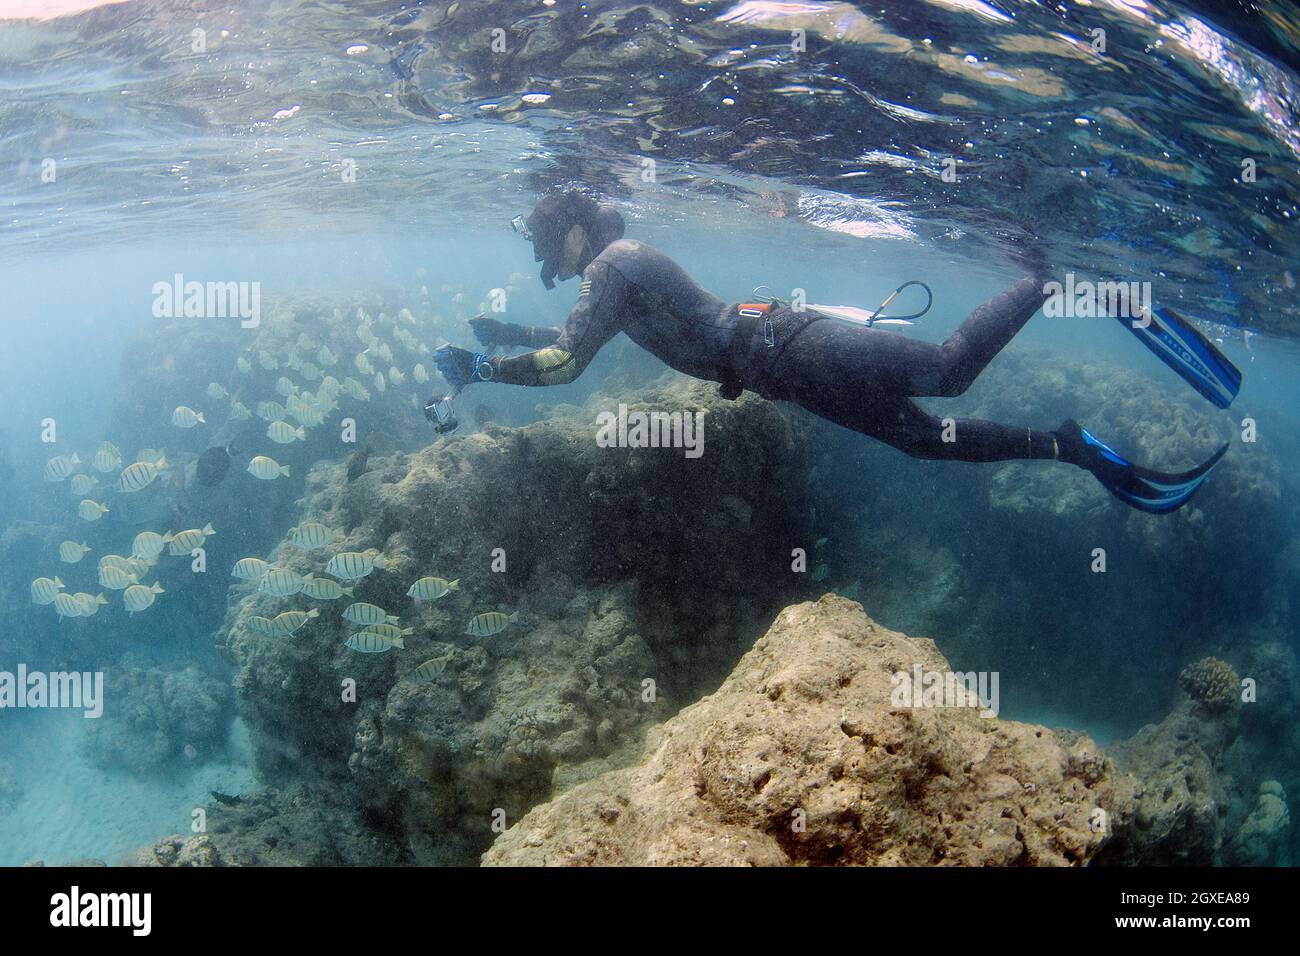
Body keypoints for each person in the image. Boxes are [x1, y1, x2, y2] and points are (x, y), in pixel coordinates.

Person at [433, 189, 1230, 513]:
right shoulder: (611, 277)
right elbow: (577, 343)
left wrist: (479, 371)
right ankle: (1067, 444)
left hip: (786, 346)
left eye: (548, 241)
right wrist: (505, 340)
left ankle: (1043, 281)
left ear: (573, 227)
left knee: (946, 373)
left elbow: (569, 362)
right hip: (781, 364)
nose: (551, 259)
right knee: (924, 439)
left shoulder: (612, 263)